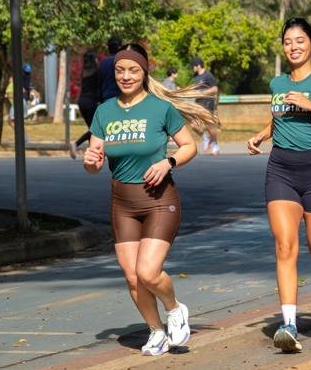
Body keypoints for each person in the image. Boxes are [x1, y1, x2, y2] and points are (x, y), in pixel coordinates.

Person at [83, 43, 217, 357]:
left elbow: (189, 146)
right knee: (133, 278)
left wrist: (168, 163)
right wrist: (90, 161)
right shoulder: (104, 112)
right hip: (123, 204)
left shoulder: (160, 108)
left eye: (133, 70)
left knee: (148, 271)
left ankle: (175, 308)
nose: (126, 76)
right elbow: (94, 163)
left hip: (159, 200)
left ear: (144, 73)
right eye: (120, 70)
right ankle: (156, 331)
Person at [246, 18, 311, 352]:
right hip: (281, 170)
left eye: (299, 41)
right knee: (284, 245)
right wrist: (262, 135)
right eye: (287, 41)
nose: (293, 47)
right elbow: (280, 116)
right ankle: (289, 324)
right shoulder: (277, 82)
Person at [70, 49, 100, 158]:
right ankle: (76, 144)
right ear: (94, 60)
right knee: (96, 129)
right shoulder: (96, 73)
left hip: (82, 102)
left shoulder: (84, 72)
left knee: (93, 129)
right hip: (91, 103)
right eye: (96, 58)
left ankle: (92, 150)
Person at [190, 57, 220, 156]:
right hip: (198, 104)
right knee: (193, 125)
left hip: (207, 103)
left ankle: (215, 144)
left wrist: (202, 93)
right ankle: (205, 138)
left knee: (209, 126)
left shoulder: (208, 75)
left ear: (198, 65)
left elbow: (215, 89)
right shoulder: (195, 76)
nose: (192, 68)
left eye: (193, 66)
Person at [98, 36, 123, 103]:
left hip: (106, 98)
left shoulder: (103, 62)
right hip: (121, 99)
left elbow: (99, 83)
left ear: (109, 47)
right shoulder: (122, 62)